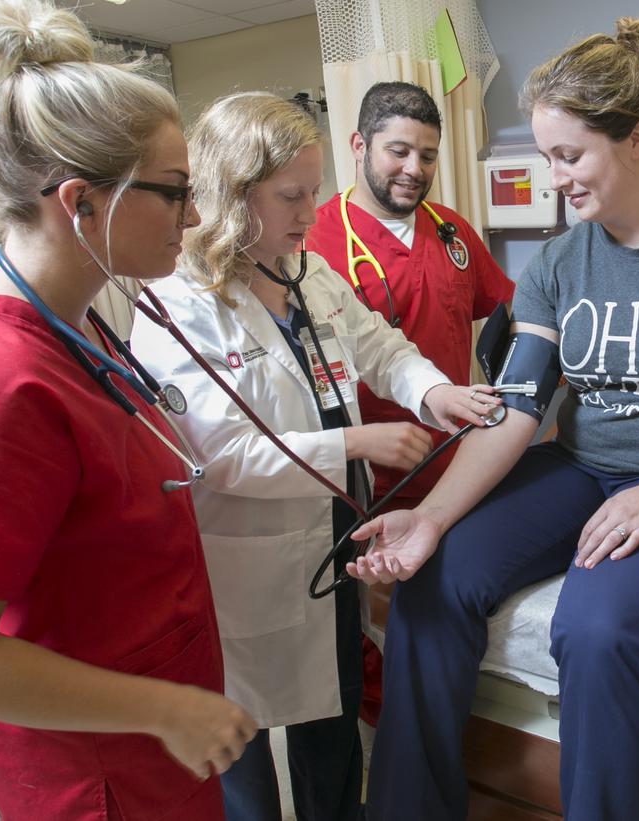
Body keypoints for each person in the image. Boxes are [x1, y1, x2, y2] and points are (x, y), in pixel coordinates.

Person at [348, 11, 639, 821]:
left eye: (568, 155)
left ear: (634, 138)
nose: (554, 177)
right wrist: (430, 516)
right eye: (546, 156)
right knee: (436, 577)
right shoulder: (558, 261)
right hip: (579, 466)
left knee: (601, 628)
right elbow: (520, 408)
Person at [0, 1, 256, 817]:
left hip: (153, 734)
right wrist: (168, 709)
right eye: (175, 193)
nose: (192, 220)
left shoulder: (75, 328)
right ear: (81, 201)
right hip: (99, 772)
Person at [129, 92, 500, 821]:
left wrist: (434, 392)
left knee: (330, 713)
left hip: (328, 527)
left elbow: (380, 347)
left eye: (313, 190)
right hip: (244, 555)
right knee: (239, 738)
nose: (310, 211)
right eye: (291, 194)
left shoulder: (306, 272)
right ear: (235, 193)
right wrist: (355, 443)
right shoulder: (177, 302)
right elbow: (222, 457)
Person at [305, 81, 514, 510]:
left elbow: (510, 313)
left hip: (457, 462)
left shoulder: (450, 230)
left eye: (428, 156)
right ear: (359, 146)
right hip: (366, 474)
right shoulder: (311, 240)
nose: (415, 169)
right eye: (398, 152)